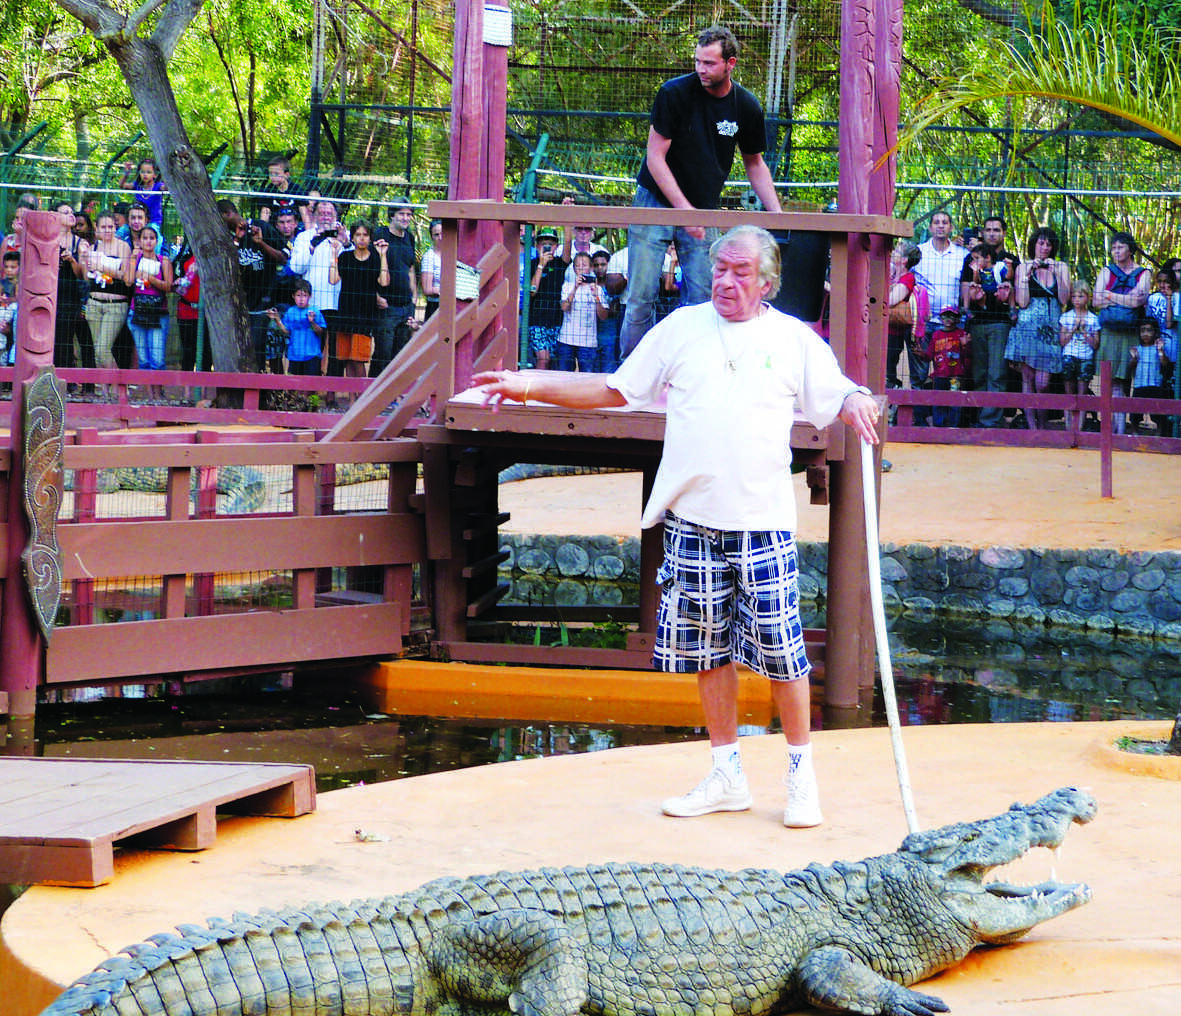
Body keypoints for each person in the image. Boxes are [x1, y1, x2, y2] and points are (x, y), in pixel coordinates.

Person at [473, 225, 880, 827]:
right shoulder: (681, 328)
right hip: (692, 521)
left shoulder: (794, 339)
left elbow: (838, 392)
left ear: (767, 283)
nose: (725, 281)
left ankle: (801, 776)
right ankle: (726, 774)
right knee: (707, 651)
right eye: (720, 269)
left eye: (741, 272)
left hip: (762, 523)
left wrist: (857, 399)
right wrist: (527, 385)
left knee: (783, 653)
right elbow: (615, 389)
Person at [618, 25, 782, 359]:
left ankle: (694, 369)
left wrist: (778, 215)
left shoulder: (746, 106)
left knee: (704, 297)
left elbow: (754, 163)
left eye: (709, 63)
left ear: (730, 64)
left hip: (704, 207)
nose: (701, 69)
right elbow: (655, 158)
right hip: (655, 200)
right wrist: (685, 212)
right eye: (697, 61)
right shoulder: (673, 93)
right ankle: (631, 374)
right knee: (640, 297)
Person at [1005, 227, 1070, 429]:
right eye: (1041, 243)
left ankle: (1043, 424)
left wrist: (1056, 273)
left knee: (1043, 383)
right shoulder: (1023, 267)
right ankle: (1032, 427)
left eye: (1049, 244)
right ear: (1034, 245)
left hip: (1050, 330)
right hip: (1027, 327)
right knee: (1028, 378)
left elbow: (1064, 300)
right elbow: (1022, 302)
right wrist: (1027, 275)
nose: (1044, 247)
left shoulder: (1061, 267)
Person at [1093, 231, 1150, 435]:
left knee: (1127, 381)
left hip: (1131, 332)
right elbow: (1096, 300)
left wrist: (1109, 295)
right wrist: (1126, 299)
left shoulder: (1144, 273)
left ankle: (1122, 428)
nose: (1116, 251)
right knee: (1110, 381)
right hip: (1109, 332)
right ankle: (1112, 429)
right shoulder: (1106, 271)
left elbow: (1139, 301)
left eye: (1120, 247)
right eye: (1113, 248)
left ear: (1130, 249)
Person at [328, 219, 391, 398]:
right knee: (347, 358)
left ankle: (364, 399)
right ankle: (352, 401)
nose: (361, 238)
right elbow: (332, 279)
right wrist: (334, 254)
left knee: (359, 359)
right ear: (352, 237)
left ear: (370, 238)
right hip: (345, 313)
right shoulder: (345, 257)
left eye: (365, 235)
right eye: (358, 235)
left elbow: (384, 282)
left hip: (365, 316)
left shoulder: (375, 258)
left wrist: (383, 255)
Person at [914, 211, 966, 425]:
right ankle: (919, 420)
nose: (941, 226)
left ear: (951, 227)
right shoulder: (919, 252)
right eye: (936, 222)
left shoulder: (962, 254)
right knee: (919, 374)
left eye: (945, 222)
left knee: (952, 374)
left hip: (952, 325)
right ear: (930, 227)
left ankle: (951, 422)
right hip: (924, 323)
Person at [83, 210, 134, 397]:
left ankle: (119, 388)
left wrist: (102, 266)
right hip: (94, 303)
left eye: (111, 227)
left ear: (115, 227)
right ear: (96, 227)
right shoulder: (93, 247)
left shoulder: (123, 247)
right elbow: (86, 276)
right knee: (98, 352)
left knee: (103, 348)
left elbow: (126, 277)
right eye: (103, 227)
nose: (107, 230)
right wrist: (85, 263)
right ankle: (105, 393)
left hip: (115, 304)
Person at [126, 223, 173, 397]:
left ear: (157, 241)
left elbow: (168, 286)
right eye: (144, 238)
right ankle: (150, 396)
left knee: (157, 359)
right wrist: (132, 260)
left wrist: (151, 279)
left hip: (158, 313)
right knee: (144, 359)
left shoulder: (163, 261)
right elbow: (128, 281)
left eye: (152, 238)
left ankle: (159, 394)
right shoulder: (135, 259)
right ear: (139, 241)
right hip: (137, 311)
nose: (148, 241)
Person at [373, 202, 418, 373]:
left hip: (406, 306)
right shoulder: (380, 234)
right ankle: (374, 388)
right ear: (392, 215)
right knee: (383, 354)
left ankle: (395, 390)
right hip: (386, 306)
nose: (406, 218)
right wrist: (376, 296)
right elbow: (369, 266)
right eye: (401, 214)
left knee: (400, 355)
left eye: (409, 214)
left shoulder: (410, 238)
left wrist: (414, 299)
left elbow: (411, 268)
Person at [1058, 280, 1101, 435]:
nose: (1077, 300)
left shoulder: (1093, 319)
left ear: (1088, 298)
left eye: (1080, 296)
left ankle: (1080, 428)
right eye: (1074, 296)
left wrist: (1085, 332)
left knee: (1082, 394)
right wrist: (1073, 329)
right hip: (1069, 356)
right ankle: (1068, 427)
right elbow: (1062, 341)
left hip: (1085, 357)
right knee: (1069, 392)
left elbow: (1095, 344)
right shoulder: (1066, 317)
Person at [556, 251, 609, 372]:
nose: (580, 268)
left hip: (588, 342)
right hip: (566, 339)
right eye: (577, 266)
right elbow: (564, 307)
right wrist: (575, 288)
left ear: (591, 268)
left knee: (586, 376)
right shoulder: (567, 286)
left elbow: (603, 316)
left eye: (584, 265)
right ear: (574, 269)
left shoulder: (598, 289)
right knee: (564, 376)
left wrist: (596, 297)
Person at [527, 227, 571, 369]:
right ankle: (536, 384)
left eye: (551, 244)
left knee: (554, 360)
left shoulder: (560, 263)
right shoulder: (532, 263)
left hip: (557, 320)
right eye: (543, 244)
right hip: (537, 319)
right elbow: (532, 291)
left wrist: (568, 222)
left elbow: (568, 243)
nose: (547, 247)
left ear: (556, 246)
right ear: (537, 245)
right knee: (543, 359)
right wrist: (541, 265)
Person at [267, 279, 327, 376]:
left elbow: (321, 332)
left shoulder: (315, 311)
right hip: (294, 355)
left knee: (310, 383)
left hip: (311, 355)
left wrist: (312, 322)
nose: (301, 299)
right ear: (293, 296)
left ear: (310, 296)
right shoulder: (290, 311)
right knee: (295, 382)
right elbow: (286, 331)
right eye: (298, 295)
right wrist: (277, 319)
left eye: (304, 296)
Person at [924, 305, 971, 428]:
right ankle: (938, 426)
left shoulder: (961, 334)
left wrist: (965, 345)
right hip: (939, 375)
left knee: (955, 401)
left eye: (952, 316)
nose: (948, 319)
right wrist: (921, 354)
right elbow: (929, 355)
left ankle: (953, 426)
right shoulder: (936, 335)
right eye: (945, 316)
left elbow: (967, 355)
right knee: (938, 400)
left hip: (956, 375)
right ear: (940, 318)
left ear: (957, 319)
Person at [886, 239, 922, 391]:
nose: (893, 253)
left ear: (904, 260)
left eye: (897, 251)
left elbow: (891, 300)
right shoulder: (891, 274)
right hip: (883, 330)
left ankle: (893, 393)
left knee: (888, 368)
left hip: (893, 332)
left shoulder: (908, 278)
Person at [1128, 317, 1173, 435]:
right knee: (1135, 412)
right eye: (1142, 331)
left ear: (1155, 332)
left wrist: (1161, 351)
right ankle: (1135, 434)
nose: (1145, 334)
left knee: (1158, 412)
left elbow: (1165, 363)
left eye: (1149, 330)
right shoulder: (1137, 349)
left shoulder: (1158, 348)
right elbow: (1131, 366)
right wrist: (1134, 358)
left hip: (1155, 384)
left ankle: (1159, 435)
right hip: (1140, 385)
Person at [591, 249, 621, 372]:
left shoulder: (615, 285)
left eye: (603, 264)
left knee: (608, 369)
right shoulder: (590, 286)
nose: (599, 268)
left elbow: (615, 310)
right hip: (592, 333)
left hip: (610, 333)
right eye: (596, 265)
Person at [118, 157, 167, 227]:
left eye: (148, 172)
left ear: (155, 175)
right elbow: (121, 185)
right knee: (122, 231)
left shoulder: (158, 186)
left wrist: (167, 173)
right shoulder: (137, 186)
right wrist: (126, 173)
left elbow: (167, 188)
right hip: (137, 221)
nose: (145, 174)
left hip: (154, 222)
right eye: (142, 172)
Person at [420, 219, 443, 320]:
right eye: (436, 235)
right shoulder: (429, 257)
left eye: (443, 233)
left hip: (455, 306)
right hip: (435, 307)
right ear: (431, 237)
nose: (440, 238)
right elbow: (427, 289)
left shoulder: (456, 254)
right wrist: (449, 291)